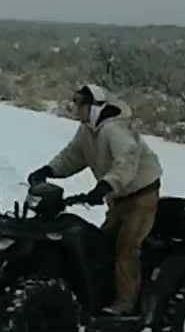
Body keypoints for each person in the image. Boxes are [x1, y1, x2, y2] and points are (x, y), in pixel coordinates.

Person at [26, 83, 163, 318]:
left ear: (95, 106)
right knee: (101, 245)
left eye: (80, 102)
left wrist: (105, 185)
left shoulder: (114, 129)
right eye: (75, 101)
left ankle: (125, 304)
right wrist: (48, 170)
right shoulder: (87, 130)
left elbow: (127, 161)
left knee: (126, 248)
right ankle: (104, 293)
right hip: (118, 197)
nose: (75, 107)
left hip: (141, 196)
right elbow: (72, 156)